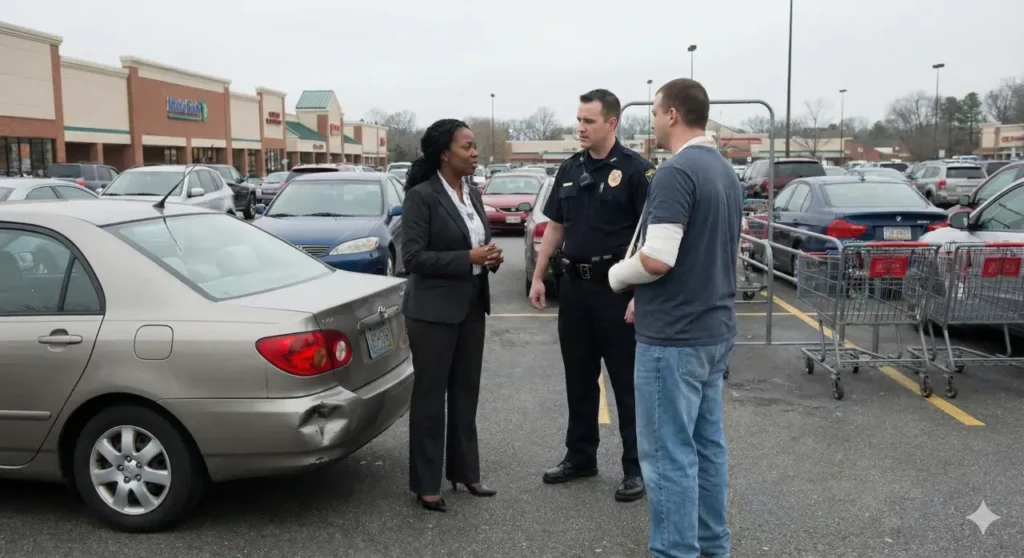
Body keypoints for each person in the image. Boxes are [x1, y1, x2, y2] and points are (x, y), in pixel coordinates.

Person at [608, 78, 742, 558]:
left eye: (656, 109)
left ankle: (675, 552)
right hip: (714, 330)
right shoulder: (725, 173)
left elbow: (659, 257)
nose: (652, 118)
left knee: (667, 458)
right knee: (707, 448)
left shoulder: (675, 173)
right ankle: (712, 547)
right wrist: (646, 297)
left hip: (674, 340)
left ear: (672, 115)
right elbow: (709, 253)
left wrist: (617, 278)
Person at [528, 89, 655, 502]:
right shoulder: (568, 169)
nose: (580, 127)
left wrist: (642, 294)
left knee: (627, 383)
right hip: (576, 292)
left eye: (589, 121)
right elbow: (555, 227)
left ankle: (636, 467)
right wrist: (539, 276)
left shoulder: (637, 171)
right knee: (579, 377)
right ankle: (581, 456)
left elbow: (652, 238)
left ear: (612, 123)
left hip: (617, 291)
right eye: (578, 120)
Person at [400, 118, 504, 513]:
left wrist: (489, 258)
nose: (475, 153)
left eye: (475, 146)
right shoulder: (422, 197)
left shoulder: (472, 193)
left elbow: (479, 243)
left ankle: (466, 472)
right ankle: (426, 483)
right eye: (468, 146)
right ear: (445, 153)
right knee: (430, 398)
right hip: (431, 313)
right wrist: (469, 258)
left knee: (466, 391)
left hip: (471, 305)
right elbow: (413, 258)